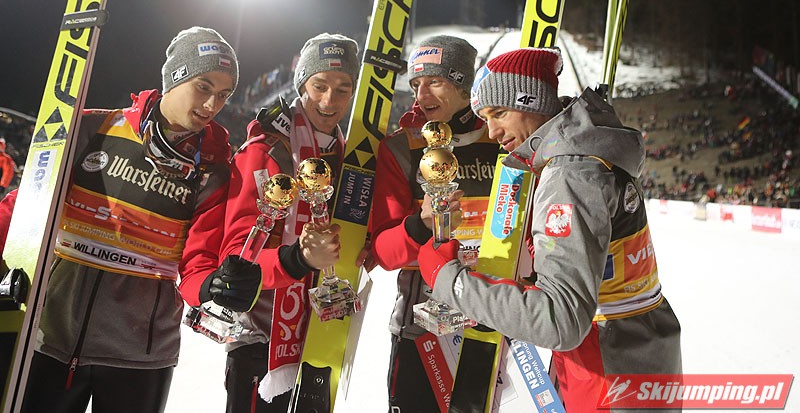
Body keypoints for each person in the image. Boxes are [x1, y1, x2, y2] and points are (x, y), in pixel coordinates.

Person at [418, 47, 682, 412]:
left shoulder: (570, 174)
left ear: (532, 100)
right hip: (637, 357)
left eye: (499, 113)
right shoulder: (591, 150)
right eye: (485, 118)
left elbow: (562, 321)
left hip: (605, 375)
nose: (492, 131)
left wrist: (449, 279)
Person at [21, 26, 246, 413]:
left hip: (141, 355)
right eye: (204, 86)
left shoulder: (211, 171)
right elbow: (25, 206)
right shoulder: (92, 129)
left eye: (224, 95)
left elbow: (196, 265)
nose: (212, 104)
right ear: (174, 78)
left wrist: (214, 285)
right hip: (51, 335)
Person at [204, 33, 359, 412]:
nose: (329, 100)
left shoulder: (349, 157)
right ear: (301, 84)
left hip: (322, 336)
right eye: (319, 86)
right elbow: (237, 254)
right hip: (261, 341)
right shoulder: (265, 150)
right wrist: (299, 259)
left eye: (342, 89)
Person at [368, 35, 500, 411]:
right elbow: (383, 252)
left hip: (491, 323)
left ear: (464, 86)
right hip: (422, 330)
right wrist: (420, 225)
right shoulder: (402, 148)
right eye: (416, 84)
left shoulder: (501, 140)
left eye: (434, 82)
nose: (421, 95)